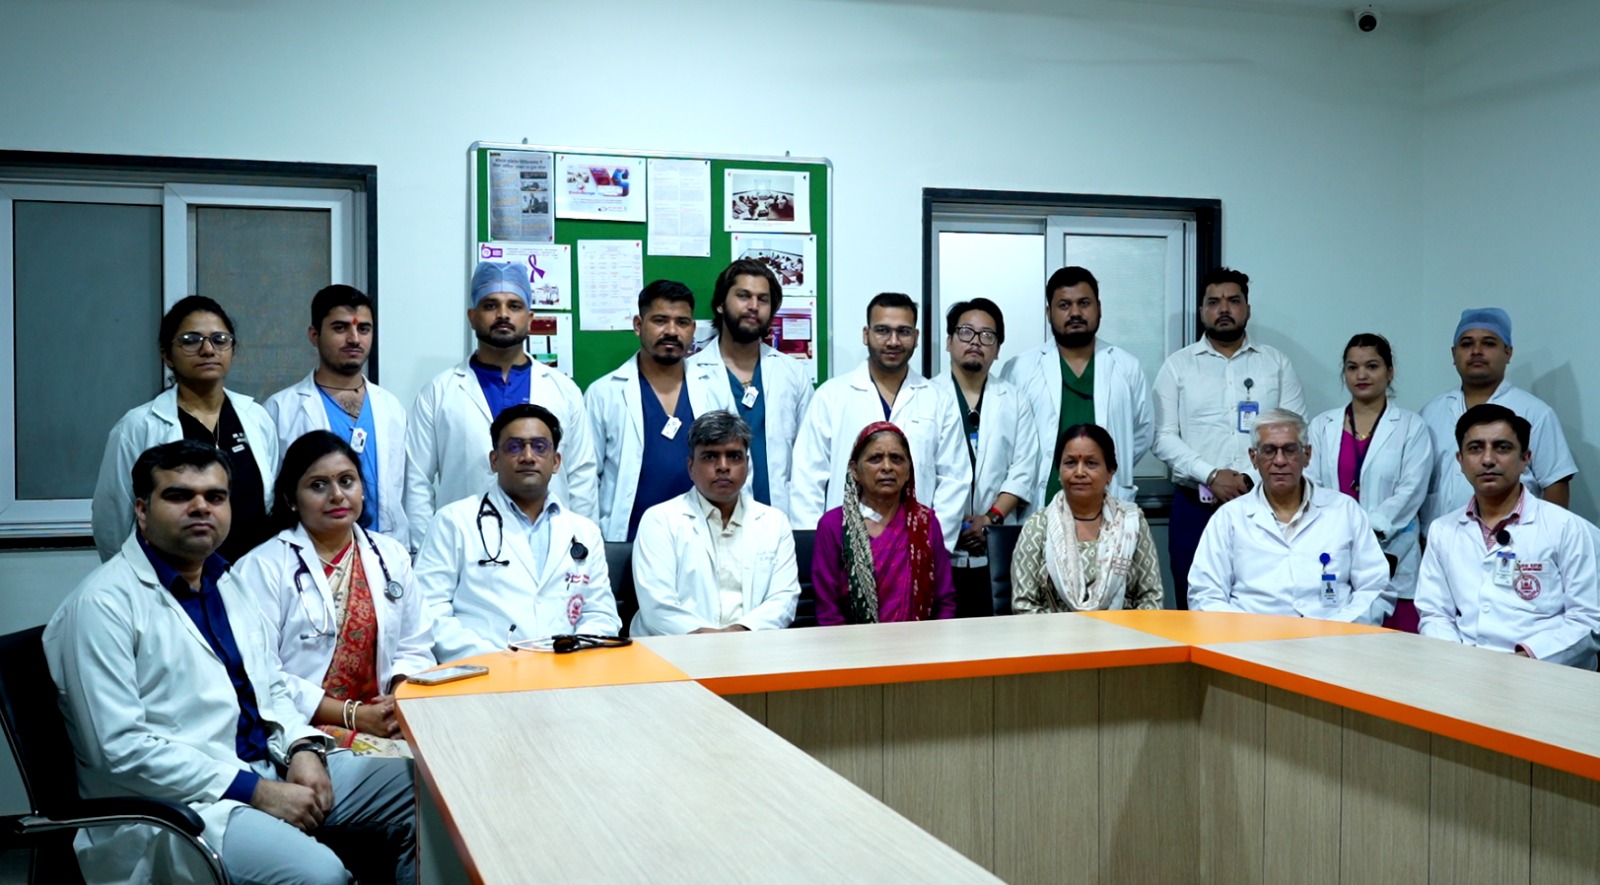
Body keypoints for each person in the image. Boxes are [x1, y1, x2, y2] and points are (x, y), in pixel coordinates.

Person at [46, 440, 414, 885]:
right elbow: (120, 750)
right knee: (322, 876)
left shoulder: (226, 581)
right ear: (142, 510)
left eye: (215, 496)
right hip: (184, 806)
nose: (201, 507)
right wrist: (256, 791)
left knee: (427, 792)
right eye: (179, 495)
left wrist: (303, 747)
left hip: (270, 764)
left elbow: (271, 687)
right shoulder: (102, 606)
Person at [232, 431, 434, 756]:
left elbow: (415, 644)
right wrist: (355, 715)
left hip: (386, 716)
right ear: (290, 499)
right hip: (302, 727)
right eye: (318, 485)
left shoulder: (390, 555)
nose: (337, 495)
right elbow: (262, 673)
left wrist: (399, 696)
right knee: (412, 768)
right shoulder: (262, 567)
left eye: (346, 481)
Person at [405, 261, 598, 548]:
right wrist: (427, 551)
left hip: (550, 545)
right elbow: (416, 482)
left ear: (529, 318)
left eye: (514, 306)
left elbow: (582, 475)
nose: (503, 314)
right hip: (465, 547)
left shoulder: (564, 391)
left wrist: (581, 546)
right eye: (490, 305)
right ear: (472, 317)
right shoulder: (438, 393)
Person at [415, 403, 618, 662]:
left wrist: (571, 657)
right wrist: (497, 661)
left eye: (540, 447)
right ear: (494, 460)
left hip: (568, 670)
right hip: (482, 671)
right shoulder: (453, 522)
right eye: (514, 447)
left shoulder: (585, 532)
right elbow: (429, 612)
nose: (528, 456)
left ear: (556, 462)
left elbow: (601, 614)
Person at [1152, 267, 1306, 608]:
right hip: (1196, 505)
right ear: (1202, 311)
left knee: (1265, 601)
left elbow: (1295, 431)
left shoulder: (1276, 364)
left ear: (1247, 309)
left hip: (1264, 504)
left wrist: (1248, 480)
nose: (1224, 308)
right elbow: (1163, 437)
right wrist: (1211, 475)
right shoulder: (1178, 366)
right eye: (1214, 302)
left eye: (1233, 300)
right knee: (1194, 605)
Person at [92, 296, 278, 565]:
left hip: (250, 576)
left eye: (220, 340)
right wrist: (137, 580)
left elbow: (268, 505)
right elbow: (112, 521)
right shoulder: (138, 427)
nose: (208, 350)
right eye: (191, 340)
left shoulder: (256, 418)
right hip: (171, 578)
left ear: (232, 350)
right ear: (167, 354)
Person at [1415, 404, 1600, 668]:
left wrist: (1519, 664)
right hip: (1464, 670)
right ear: (1460, 460)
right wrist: (1458, 662)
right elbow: (1435, 614)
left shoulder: (1570, 529)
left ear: (1525, 459)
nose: (1488, 459)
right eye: (1475, 448)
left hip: (1544, 672)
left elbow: (1588, 620)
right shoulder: (1443, 530)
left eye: (1502, 448)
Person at [792, 293, 970, 553]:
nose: (893, 341)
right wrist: (817, 548)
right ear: (866, 334)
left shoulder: (938, 401)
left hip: (916, 550)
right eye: (883, 330)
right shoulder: (831, 396)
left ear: (916, 337)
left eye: (903, 331)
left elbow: (954, 479)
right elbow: (807, 478)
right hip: (844, 547)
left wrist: (931, 547)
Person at [1188, 409, 1393, 624]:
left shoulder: (1345, 511)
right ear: (1254, 458)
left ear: (1307, 455)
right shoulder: (1229, 518)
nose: (1279, 460)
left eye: (1290, 450)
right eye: (1269, 450)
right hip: (1252, 637)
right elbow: (1205, 594)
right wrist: (1245, 634)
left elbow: (1376, 587)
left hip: (1335, 636)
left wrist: (1340, 630)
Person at [264, 284, 411, 550]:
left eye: (363, 329)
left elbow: (408, 490)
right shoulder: (281, 410)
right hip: (311, 551)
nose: (354, 339)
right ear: (314, 335)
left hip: (385, 551)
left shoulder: (390, 407)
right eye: (340, 328)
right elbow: (271, 496)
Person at [630, 411, 801, 635]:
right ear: (691, 467)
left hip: (751, 643)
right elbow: (657, 606)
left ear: (747, 464)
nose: (723, 466)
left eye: (734, 456)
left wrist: (740, 632)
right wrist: (710, 640)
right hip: (674, 647)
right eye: (710, 457)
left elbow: (783, 598)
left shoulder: (774, 523)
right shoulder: (659, 521)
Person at [1306, 334, 1433, 632]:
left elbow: (1412, 490)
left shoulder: (1411, 426)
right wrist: (1339, 530)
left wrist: (1367, 528)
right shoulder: (1322, 425)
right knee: (1338, 637)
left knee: (1395, 647)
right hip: (1334, 546)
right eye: (1352, 367)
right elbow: (1311, 483)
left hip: (1392, 549)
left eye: (1372, 366)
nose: (1361, 375)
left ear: (1390, 372)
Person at [1002, 266, 1153, 508]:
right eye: (1064, 305)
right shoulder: (1020, 369)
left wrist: (1106, 466)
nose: (1075, 313)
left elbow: (1142, 433)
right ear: (1049, 313)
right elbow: (1007, 441)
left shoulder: (1126, 366)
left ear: (1099, 308)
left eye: (1084, 303)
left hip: (1108, 504)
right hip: (1042, 505)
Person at [585, 279, 724, 541]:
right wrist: (588, 541)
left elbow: (737, 467)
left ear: (693, 329)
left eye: (682, 322)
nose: (671, 331)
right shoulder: (604, 393)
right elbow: (586, 477)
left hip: (702, 539)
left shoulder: (715, 389)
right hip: (627, 540)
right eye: (660, 320)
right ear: (638, 325)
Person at [1419, 308, 1577, 531]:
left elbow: (1555, 483)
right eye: (1466, 344)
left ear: (1508, 352)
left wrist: (1548, 537)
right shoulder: (1431, 413)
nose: (1476, 351)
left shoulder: (1535, 412)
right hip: (1442, 539)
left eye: (1489, 343)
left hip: (1516, 540)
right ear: (1454, 354)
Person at [687, 258, 814, 517]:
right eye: (743, 296)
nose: (754, 306)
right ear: (720, 304)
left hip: (782, 518)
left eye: (763, 299)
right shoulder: (690, 373)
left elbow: (810, 457)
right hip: (710, 517)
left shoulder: (792, 373)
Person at [943, 298, 1038, 616]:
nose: (975, 341)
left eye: (987, 335)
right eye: (966, 332)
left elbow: (1023, 468)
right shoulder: (927, 396)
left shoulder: (1015, 399)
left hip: (995, 543)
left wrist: (990, 519)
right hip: (941, 544)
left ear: (997, 349)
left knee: (995, 631)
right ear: (949, 341)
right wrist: (948, 524)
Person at [812, 422, 957, 624]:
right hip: (852, 641)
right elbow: (827, 609)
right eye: (875, 458)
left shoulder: (925, 523)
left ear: (908, 471)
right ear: (855, 470)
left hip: (921, 640)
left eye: (896, 459)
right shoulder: (833, 525)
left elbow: (945, 602)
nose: (887, 467)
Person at [1011, 424, 1163, 613]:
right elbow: (1024, 605)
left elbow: (1151, 598)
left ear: (1110, 472)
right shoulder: (1038, 526)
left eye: (1091, 463)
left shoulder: (1132, 523)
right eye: (1070, 463)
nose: (1079, 472)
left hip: (1123, 630)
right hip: (1053, 631)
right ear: (1059, 471)